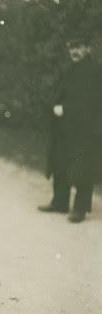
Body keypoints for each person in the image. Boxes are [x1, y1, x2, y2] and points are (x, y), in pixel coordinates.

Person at [38, 38, 102, 223]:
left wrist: (65, 108)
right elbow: (60, 92)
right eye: (72, 47)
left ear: (87, 48)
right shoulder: (70, 69)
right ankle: (60, 202)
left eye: (79, 47)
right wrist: (54, 105)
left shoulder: (95, 71)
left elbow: (91, 101)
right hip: (64, 125)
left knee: (82, 166)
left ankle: (80, 209)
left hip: (85, 127)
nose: (74, 51)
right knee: (60, 163)